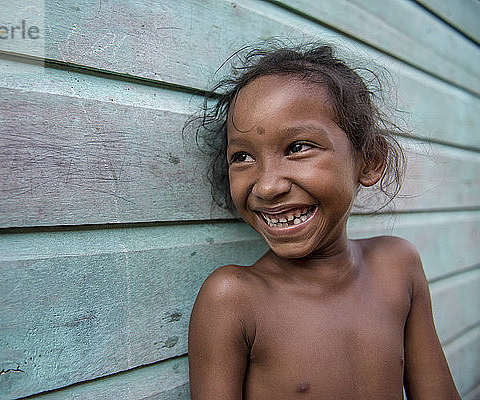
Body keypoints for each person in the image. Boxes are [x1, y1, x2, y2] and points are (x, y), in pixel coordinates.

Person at [187, 42, 460, 399]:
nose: (268, 186)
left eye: (298, 147)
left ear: (369, 161)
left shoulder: (398, 267)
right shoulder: (234, 298)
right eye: (242, 156)